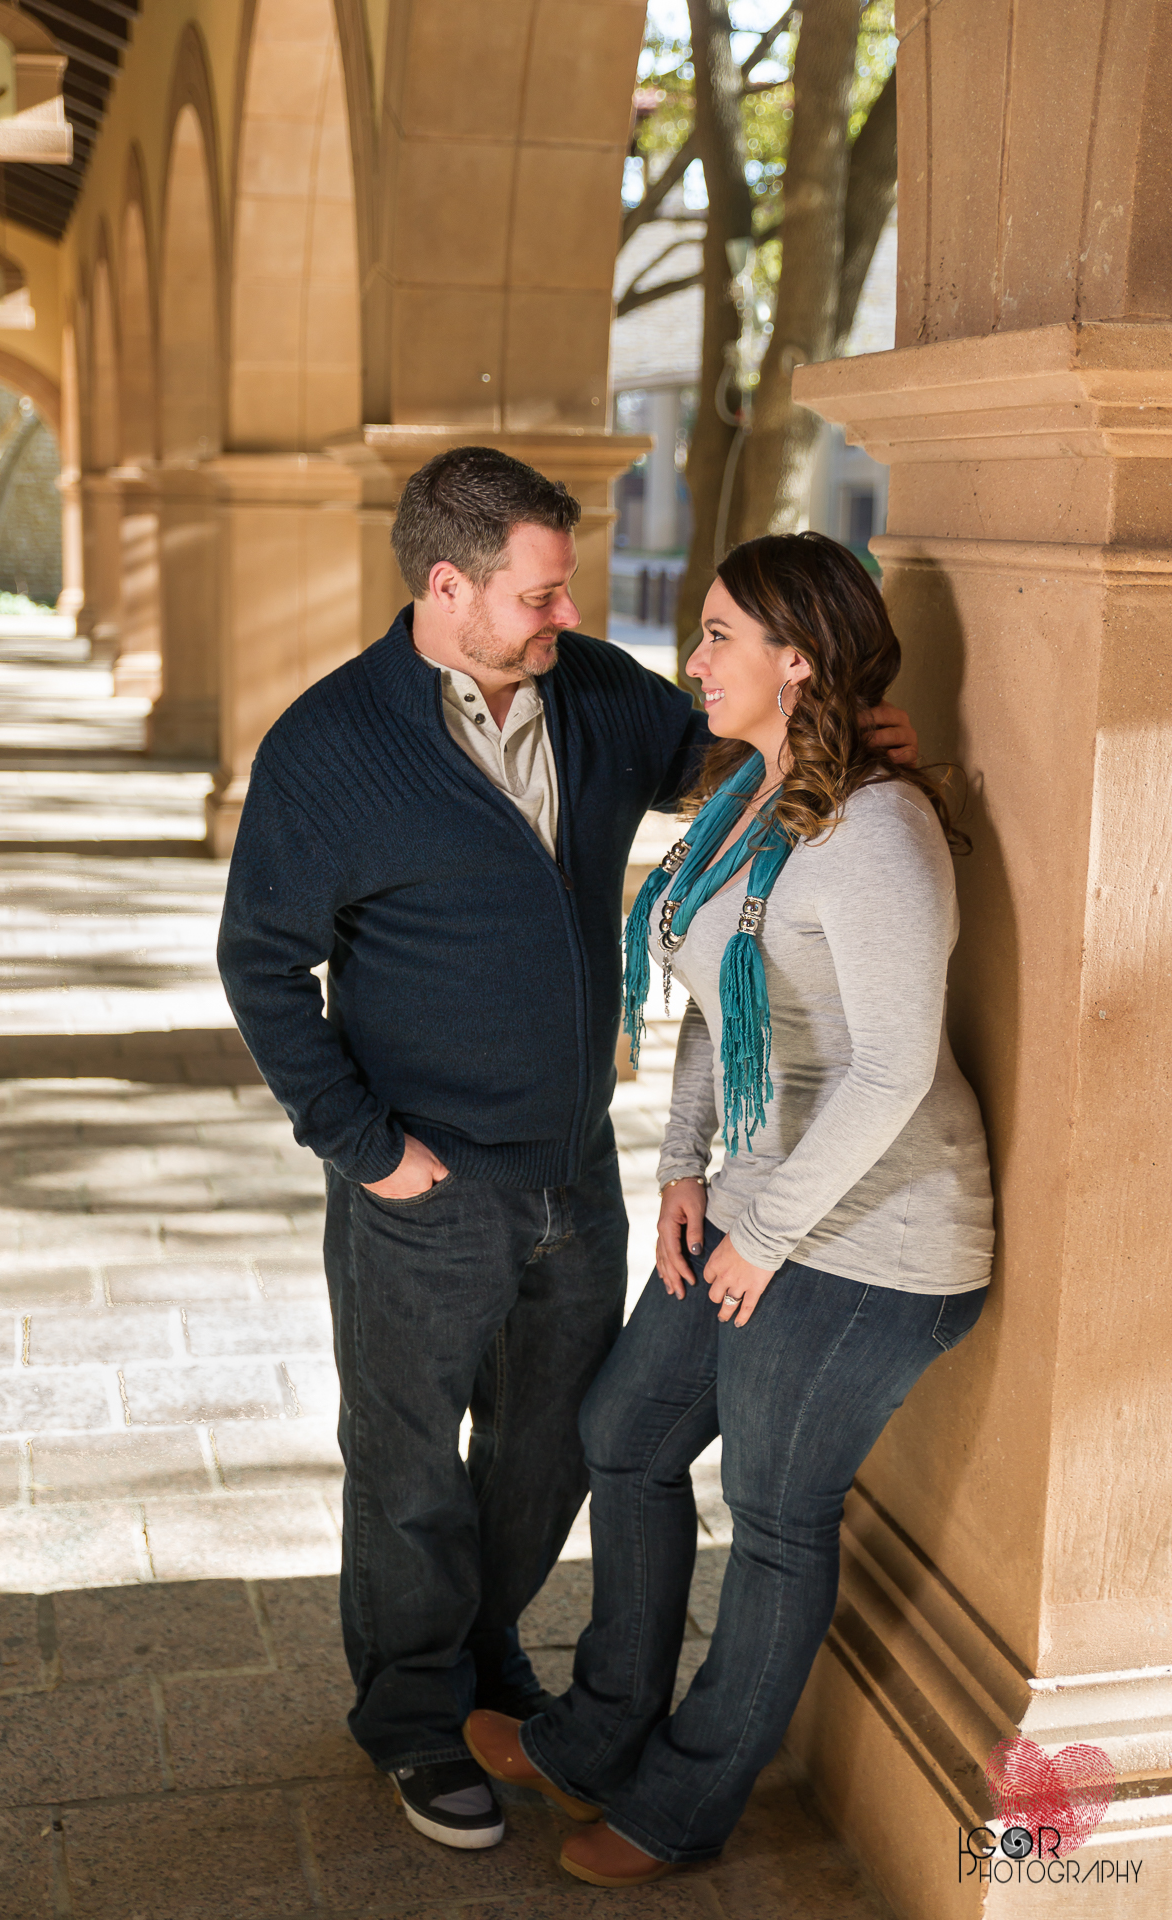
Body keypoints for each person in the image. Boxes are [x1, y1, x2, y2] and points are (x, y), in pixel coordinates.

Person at [217, 452, 918, 1852]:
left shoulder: (592, 690)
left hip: (575, 1173)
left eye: (567, 587)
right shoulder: (327, 748)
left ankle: (481, 1661)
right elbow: (259, 964)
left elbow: (724, 746)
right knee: (411, 1468)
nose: (567, 613)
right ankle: (416, 1715)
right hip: (423, 1187)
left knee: (553, 1452)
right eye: (539, 594)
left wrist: (842, 735)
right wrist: (367, 1151)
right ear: (446, 587)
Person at [464, 530, 994, 1887]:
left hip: (877, 1240)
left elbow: (893, 1066)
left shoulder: (878, 829)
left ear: (797, 660)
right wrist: (688, 1169)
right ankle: (597, 1732)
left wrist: (767, 1232)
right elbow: (715, 1000)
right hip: (760, 1198)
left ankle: (681, 1809)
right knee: (625, 1433)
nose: (691, 661)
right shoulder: (751, 798)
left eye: (716, 636)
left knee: (773, 1515)